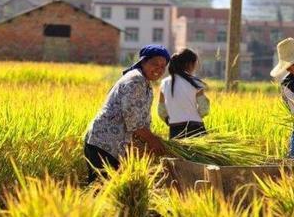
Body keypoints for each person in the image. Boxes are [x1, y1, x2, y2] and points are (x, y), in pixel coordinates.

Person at [84, 44, 170, 183]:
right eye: (155, 64)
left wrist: (148, 142)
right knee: (100, 191)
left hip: (112, 145)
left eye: (163, 66)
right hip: (105, 143)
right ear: (143, 61)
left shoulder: (144, 82)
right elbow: (133, 120)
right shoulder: (135, 80)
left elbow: (142, 120)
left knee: (108, 191)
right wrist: (152, 140)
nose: (159, 69)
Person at [158, 48, 210, 139]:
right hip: (196, 129)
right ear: (189, 64)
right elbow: (204, 109)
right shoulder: (195, 83)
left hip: (175, 130)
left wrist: (172, 119)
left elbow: (161, 111)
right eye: (194, 64)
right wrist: (192, 115)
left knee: (177, 153)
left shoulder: (164, 83)